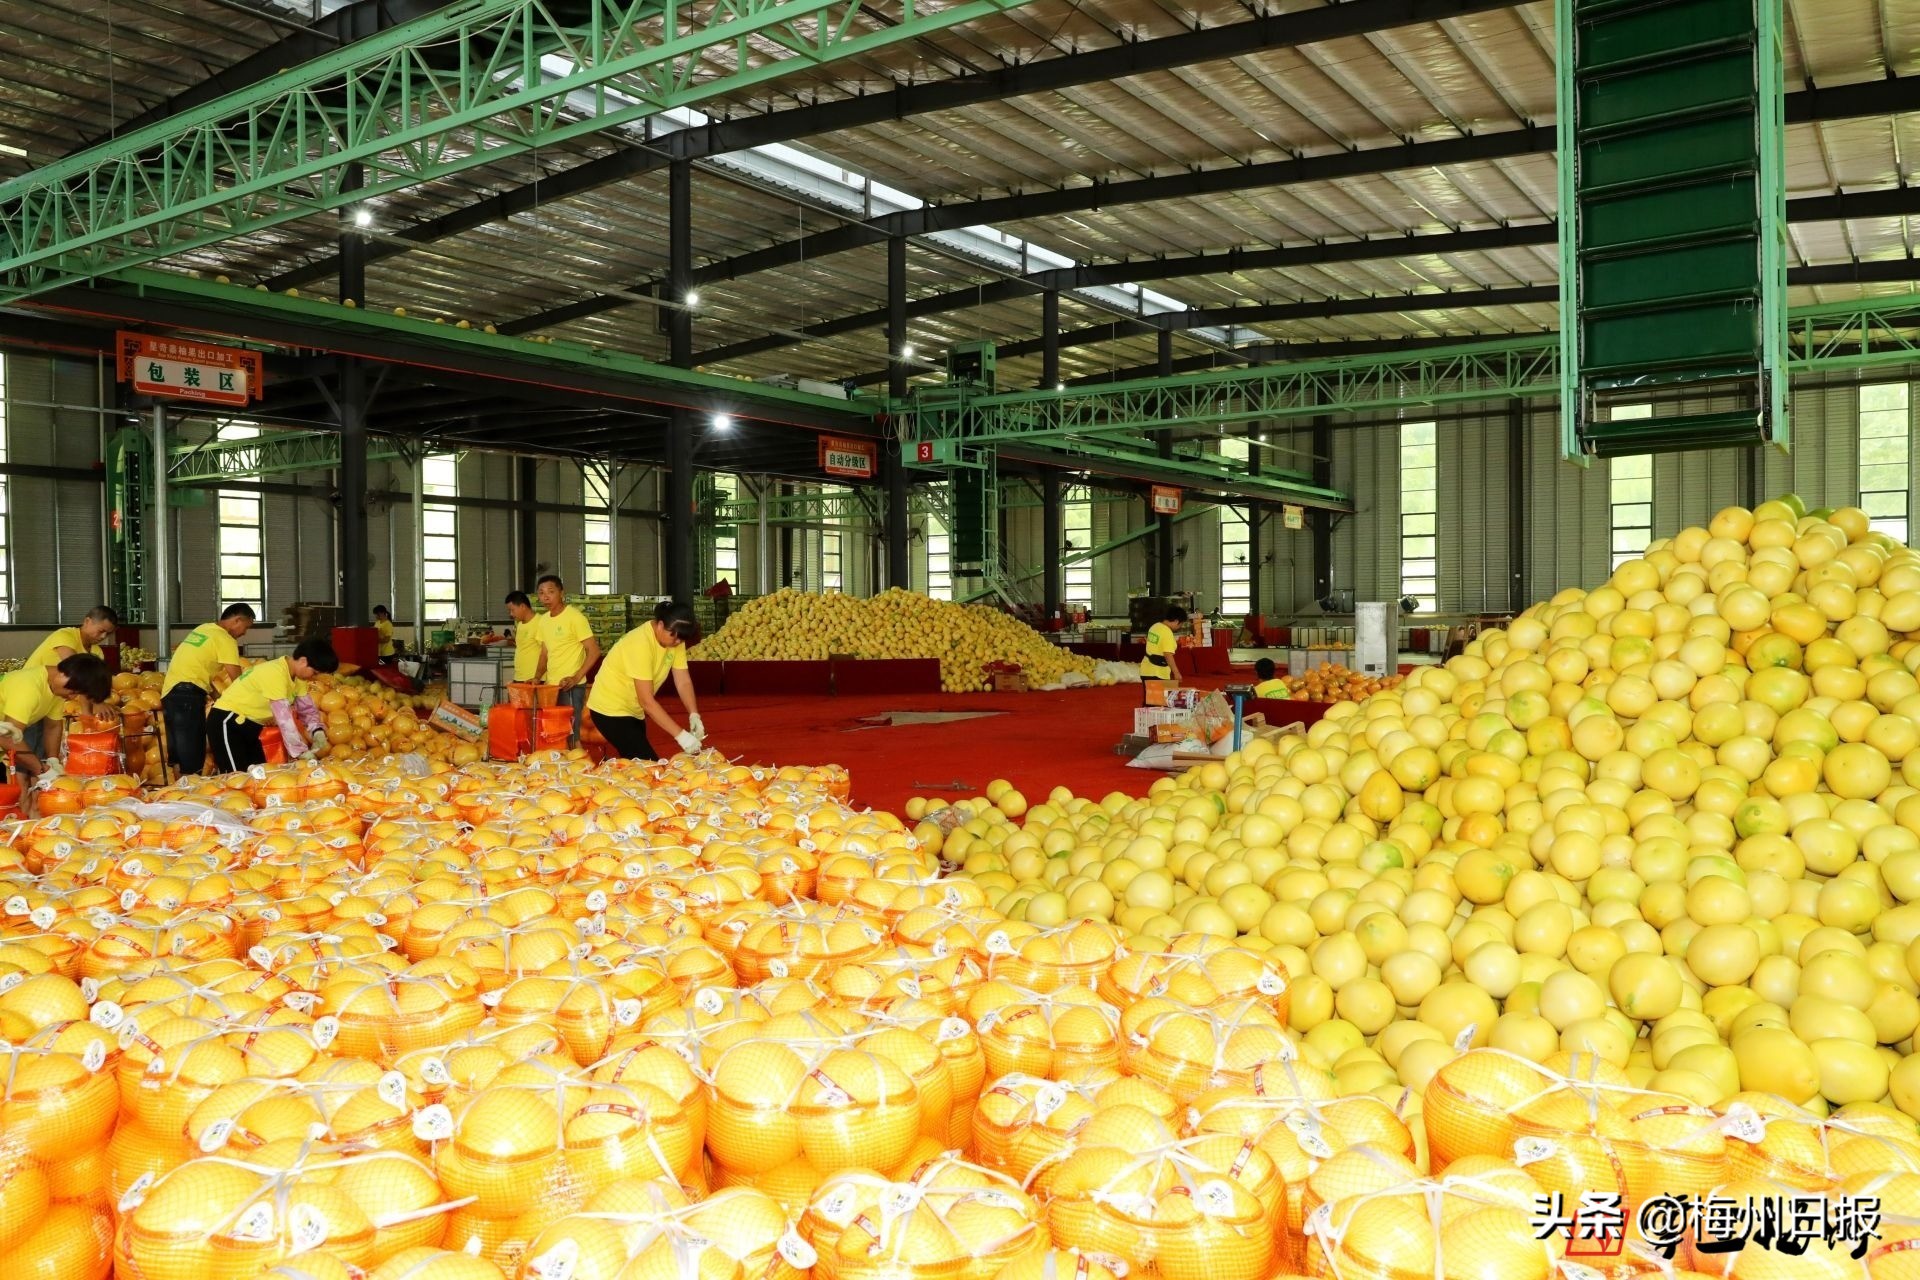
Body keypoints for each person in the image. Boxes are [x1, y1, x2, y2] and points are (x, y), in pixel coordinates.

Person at [586, 601, 706, 760]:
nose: (677, 642)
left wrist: (694, 714)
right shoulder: (640, 643)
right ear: (660, 625)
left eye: (682, 640)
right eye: (674, 637)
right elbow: (647, 701)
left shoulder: (675, 640)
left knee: (636, 764)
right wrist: (681, 736)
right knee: (648, 764)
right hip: (609, 709)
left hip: (634, 711)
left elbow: (683, 680)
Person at [207, 638, 339, 773]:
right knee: (236, 776)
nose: (314, 678)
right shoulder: (275, 672)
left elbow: (306, 709)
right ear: (303, 661)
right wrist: (300, 751)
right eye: (315, 672)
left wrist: (317, 730)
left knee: (258, 775)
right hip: (228, 721)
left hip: (251, 726)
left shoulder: (298, 678)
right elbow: (284, 719)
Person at [161, 603, 255, 777]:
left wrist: (216, 695)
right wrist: (251, 705)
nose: (244, 633)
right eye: (246, 627)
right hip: (188, 696)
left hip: (170, 693)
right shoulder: (225, 639)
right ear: (237, 620)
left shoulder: (204, 629)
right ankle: (191, 791)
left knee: (179, 754)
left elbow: (196, 668)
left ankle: (180, 790)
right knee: (192, 754)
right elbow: (238, 680)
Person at [0, 654, 112, 779]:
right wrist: (42, 770)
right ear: (65, 674)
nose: (71, 697)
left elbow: (53, 726)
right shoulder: (28, 688)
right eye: (73, 692)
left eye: (77, 694)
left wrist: (53, 760)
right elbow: (7, 739)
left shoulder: (56, 688)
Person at [532, 574, 601, 748]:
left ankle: (579, 760)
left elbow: (594, 651)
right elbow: (544, 653)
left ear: (561, 593)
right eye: (541, 593)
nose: (546, 597)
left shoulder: (575, 617)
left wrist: (576, 678)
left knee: (572, 734)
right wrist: (537, 677)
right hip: (550, 687)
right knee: (553, 734)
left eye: (550, 591)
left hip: (570, 686)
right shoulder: (544, 621)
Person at [25, 605, 118, 670]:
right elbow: (74, 668)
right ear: (87, 621)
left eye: (108, 633)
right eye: (101, 631)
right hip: (29, 687)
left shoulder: (97, 651)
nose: (103, 636)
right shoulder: (64, 635)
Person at [1139, 605, 1188, 687]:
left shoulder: (1154, 626)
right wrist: (1176, 673)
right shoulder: (1167, 633)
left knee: (1149, 695)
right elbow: (1168, 655)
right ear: (1176, 621)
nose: (1180, 627)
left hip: (1146, 670)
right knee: (1164, 695)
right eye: (1181, 624)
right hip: (1158, 673)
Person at [503, 591, 541, 683]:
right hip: (519, 677)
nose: (511, 614)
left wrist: (537, 677)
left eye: (512, 610)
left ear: (523, 606)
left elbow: (546, 653)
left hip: (534, 679)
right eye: (509, 611)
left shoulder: (540, 622)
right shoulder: (520, 624)